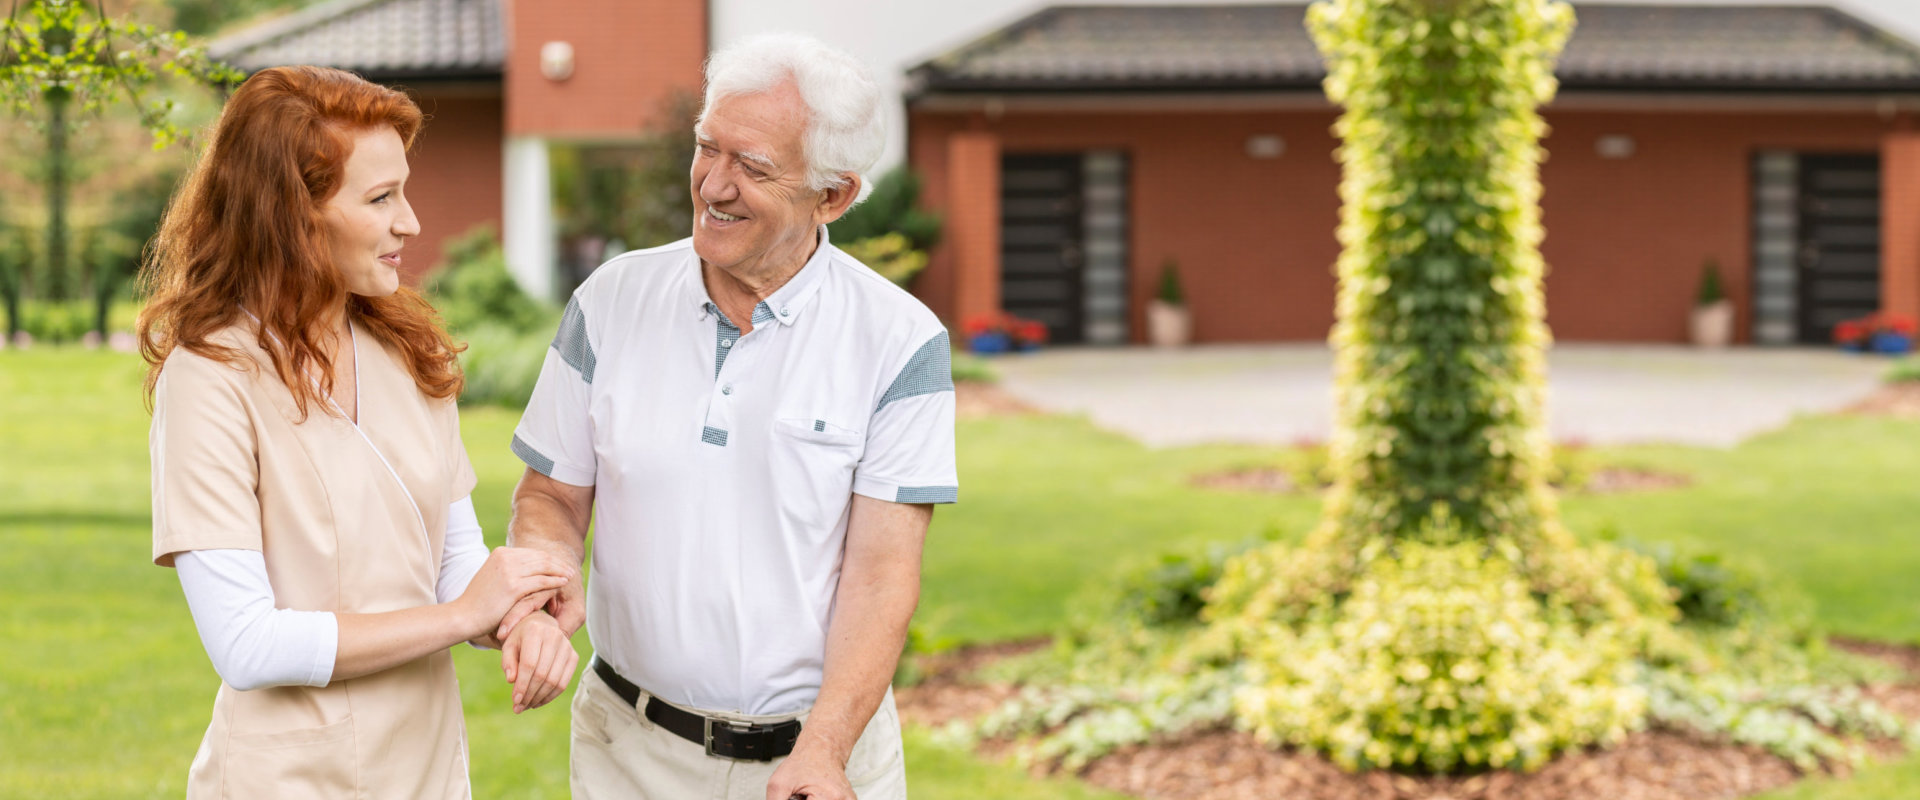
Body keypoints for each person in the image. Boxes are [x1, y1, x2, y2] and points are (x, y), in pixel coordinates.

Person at [498, 33, 956, 800]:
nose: (713, 183)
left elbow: (882, 574)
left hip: (818, 758)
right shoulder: (610, 302)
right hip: (630, 754)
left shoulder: (899, 341)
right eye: (708, 148)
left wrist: (824, 751)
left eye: (753, 167)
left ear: (833, 196)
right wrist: (540, 595)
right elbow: (549, 496)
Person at [139, 65, 579, 799]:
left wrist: (519, 619)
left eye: (402, 190)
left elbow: (456, 565)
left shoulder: (411, 354)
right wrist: (464, 613)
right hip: (289, 780)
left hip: (429, 770)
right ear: (290, 213)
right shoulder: (210, 378)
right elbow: (246, 644)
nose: (410, 221)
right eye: (380, 199)